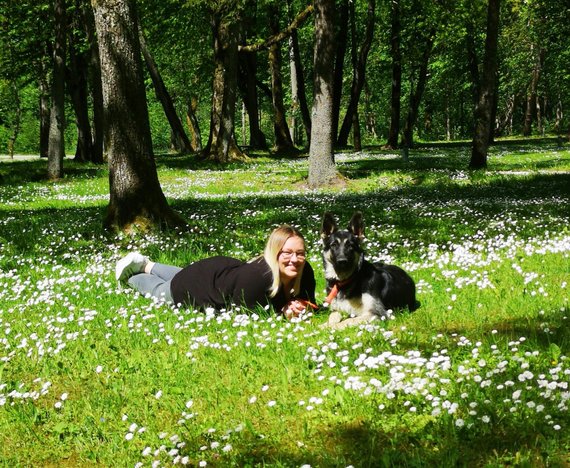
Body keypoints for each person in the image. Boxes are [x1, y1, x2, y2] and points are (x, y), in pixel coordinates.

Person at [115, 225, 317, 318]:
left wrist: (300, 305)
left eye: (300, 253)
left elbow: (308, 302)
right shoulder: (258, 279)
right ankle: (134, 275)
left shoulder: (304, 270)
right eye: (287, 253)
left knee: (182, 274)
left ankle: (145, 263)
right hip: (200, 288)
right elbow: (244, 316)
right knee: (161, 290)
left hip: (221, 271)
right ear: (274, 254)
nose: (294, 260)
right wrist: (283, 314)